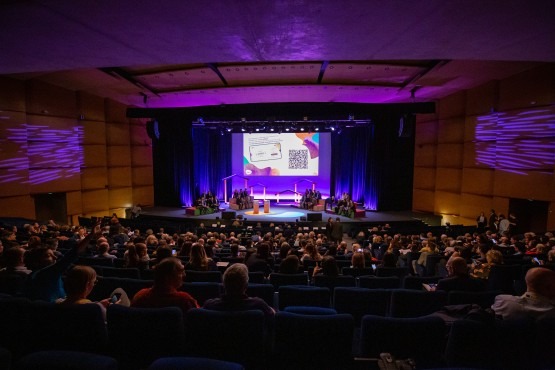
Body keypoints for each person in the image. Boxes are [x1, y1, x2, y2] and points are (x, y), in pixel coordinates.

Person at [24, 221, 101, 302]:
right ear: (36, 261)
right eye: (48, 256)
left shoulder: (31, 276)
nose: (55, 257)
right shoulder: (47, 273)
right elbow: (71, 255)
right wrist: (90, 235)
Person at [203, 263, 275, 321]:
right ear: (246, 285)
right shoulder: (258, 305)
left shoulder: (209, 305)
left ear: (224, 284)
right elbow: (273, 316)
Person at [131, 257, 199, 315]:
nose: (184, 275)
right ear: (168, 277)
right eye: (181, 271)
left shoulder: (140, 296)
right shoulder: (185, 300)